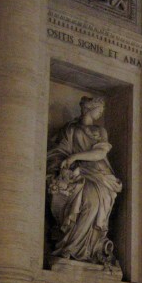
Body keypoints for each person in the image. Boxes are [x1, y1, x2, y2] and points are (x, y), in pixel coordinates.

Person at [47, 96, 122, 265]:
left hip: (100, 174)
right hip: (79, 174)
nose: (101, 112)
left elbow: (101, 154)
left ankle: (87, 249)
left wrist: (74, 157)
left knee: (95, 203)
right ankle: (71, 246)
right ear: (89, 109)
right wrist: (65, 166)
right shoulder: (70, 130)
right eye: (99, 108)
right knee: (85, 201)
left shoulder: (100, 130)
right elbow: (58, 151)